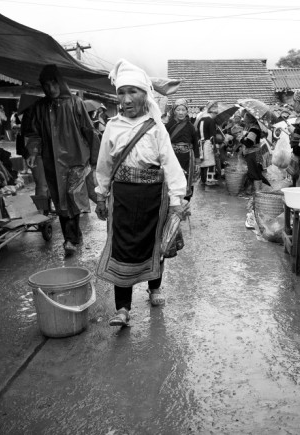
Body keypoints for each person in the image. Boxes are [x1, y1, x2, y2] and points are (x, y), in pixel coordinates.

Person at [94, 59, 188, 327]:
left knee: (154, 244)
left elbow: (170, 164)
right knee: (121, 248)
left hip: (153, 198)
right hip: (122, 197)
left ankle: (154, 288)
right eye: (121, 93)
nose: (125, 99)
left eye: (132, 92)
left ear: (145, 95)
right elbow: (104, 165)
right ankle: (122, 308)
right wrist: (101, 195)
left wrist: (177, 201)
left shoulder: (156, 127)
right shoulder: (112, 126)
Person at [26, 64, 100, 256]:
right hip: (52, 163)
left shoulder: (76, 103)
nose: (51, 89)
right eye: (46, 85)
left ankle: (71, 239)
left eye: (54, 83)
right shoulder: (39, 108)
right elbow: (34, 134)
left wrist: (94, 159)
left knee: (72, 198)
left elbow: (89, 131)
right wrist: (33, 152)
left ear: (61, 83)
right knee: (60, 200)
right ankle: (73, 237)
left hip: (76, 160)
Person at [165, 98, 199, 200]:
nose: (181, 112)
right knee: (173, 179)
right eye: (178, 110)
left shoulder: (191, 127)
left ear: (187, 111)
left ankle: (185, 202)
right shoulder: (169, 125)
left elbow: (196, 144)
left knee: (187, 178)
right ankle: (172, 202)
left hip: (187, 158)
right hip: (173, 157)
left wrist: (197, 162)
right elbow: (164, 143)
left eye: (183, 110)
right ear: (174, 111)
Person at [239, 110, 271, 194]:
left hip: (253, 154)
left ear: (249, 119)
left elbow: (249, 143)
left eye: (245, 117)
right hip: (254, 153)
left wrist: (241, 139)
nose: (243, 119)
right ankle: (255, 191)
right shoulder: (253, 128)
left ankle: (258, 192)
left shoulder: (254, 129)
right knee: (255, 172)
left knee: (255, 173)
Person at [196, 101, 219, 185]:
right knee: (210, 163)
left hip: (200, 144)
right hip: (208, 144)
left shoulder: (201, 120)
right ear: (213, 113)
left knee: (202, 163)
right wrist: (215, 148)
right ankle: (209, 180)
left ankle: (203, 179)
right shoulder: (211, 121)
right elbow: (213, 136)